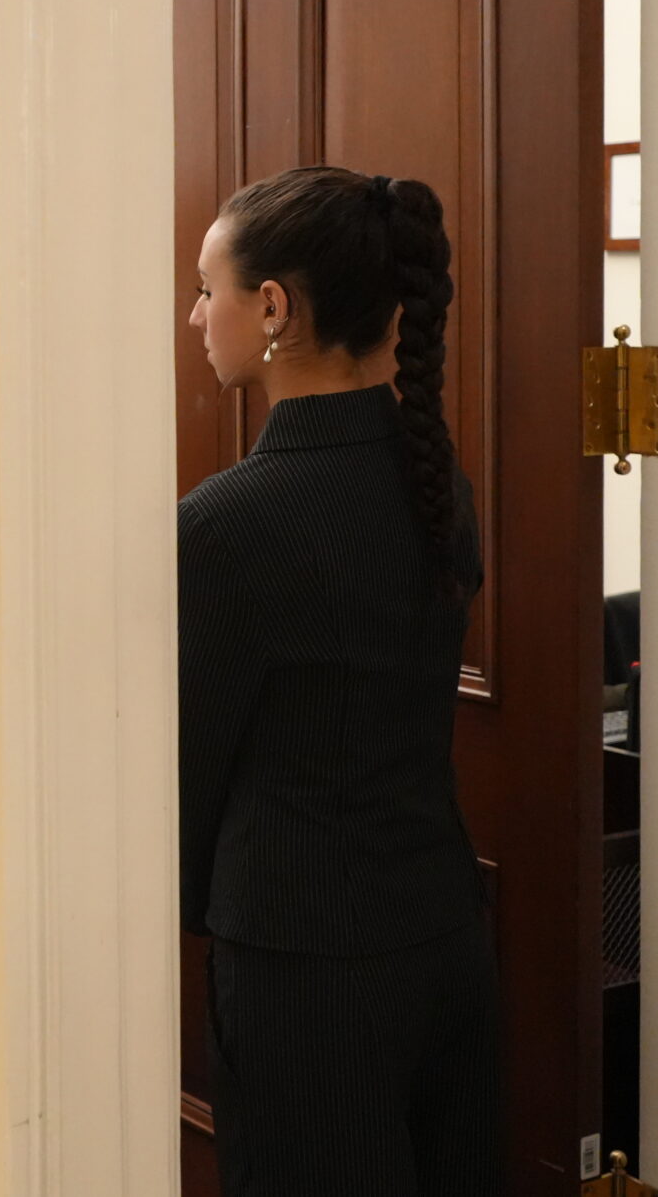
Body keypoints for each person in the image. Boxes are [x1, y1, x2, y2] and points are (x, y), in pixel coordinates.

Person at [180, 165, 499, 1197]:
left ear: (273, 307)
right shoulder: (435, 485)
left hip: (299, 959)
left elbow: (188, 773)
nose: (196, 316)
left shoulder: (226, 524)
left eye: (208, 289)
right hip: (441, 927)